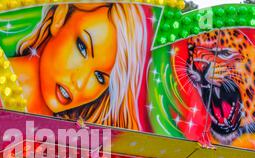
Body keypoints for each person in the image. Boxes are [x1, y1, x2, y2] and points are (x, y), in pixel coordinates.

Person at [10, 3, 150, 130]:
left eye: (100, 77)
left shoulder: (69, 140)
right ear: (60, 17)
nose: (80, 83)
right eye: (82, 48)